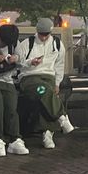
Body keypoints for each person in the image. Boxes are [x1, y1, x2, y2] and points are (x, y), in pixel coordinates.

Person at [16, 18, 74, 150]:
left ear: (50, 32)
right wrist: (31, 62)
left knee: (45, 95)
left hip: (48, 78)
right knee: (44, 91)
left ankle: (47, 132)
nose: (43, 37)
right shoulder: (27, 43)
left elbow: (59, 66)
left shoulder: (57, 45)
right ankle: (61, 117)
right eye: (41, 34)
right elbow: (18, 62)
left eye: (46, 34)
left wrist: (57, 83)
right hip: (30, 78)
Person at [0, 24, 29, 157]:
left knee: (11, 106)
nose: (0, 43)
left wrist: (16, 58)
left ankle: (14, 139)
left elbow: (21, 58)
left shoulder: (14, 43)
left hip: (7, 80)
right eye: (0, 40)